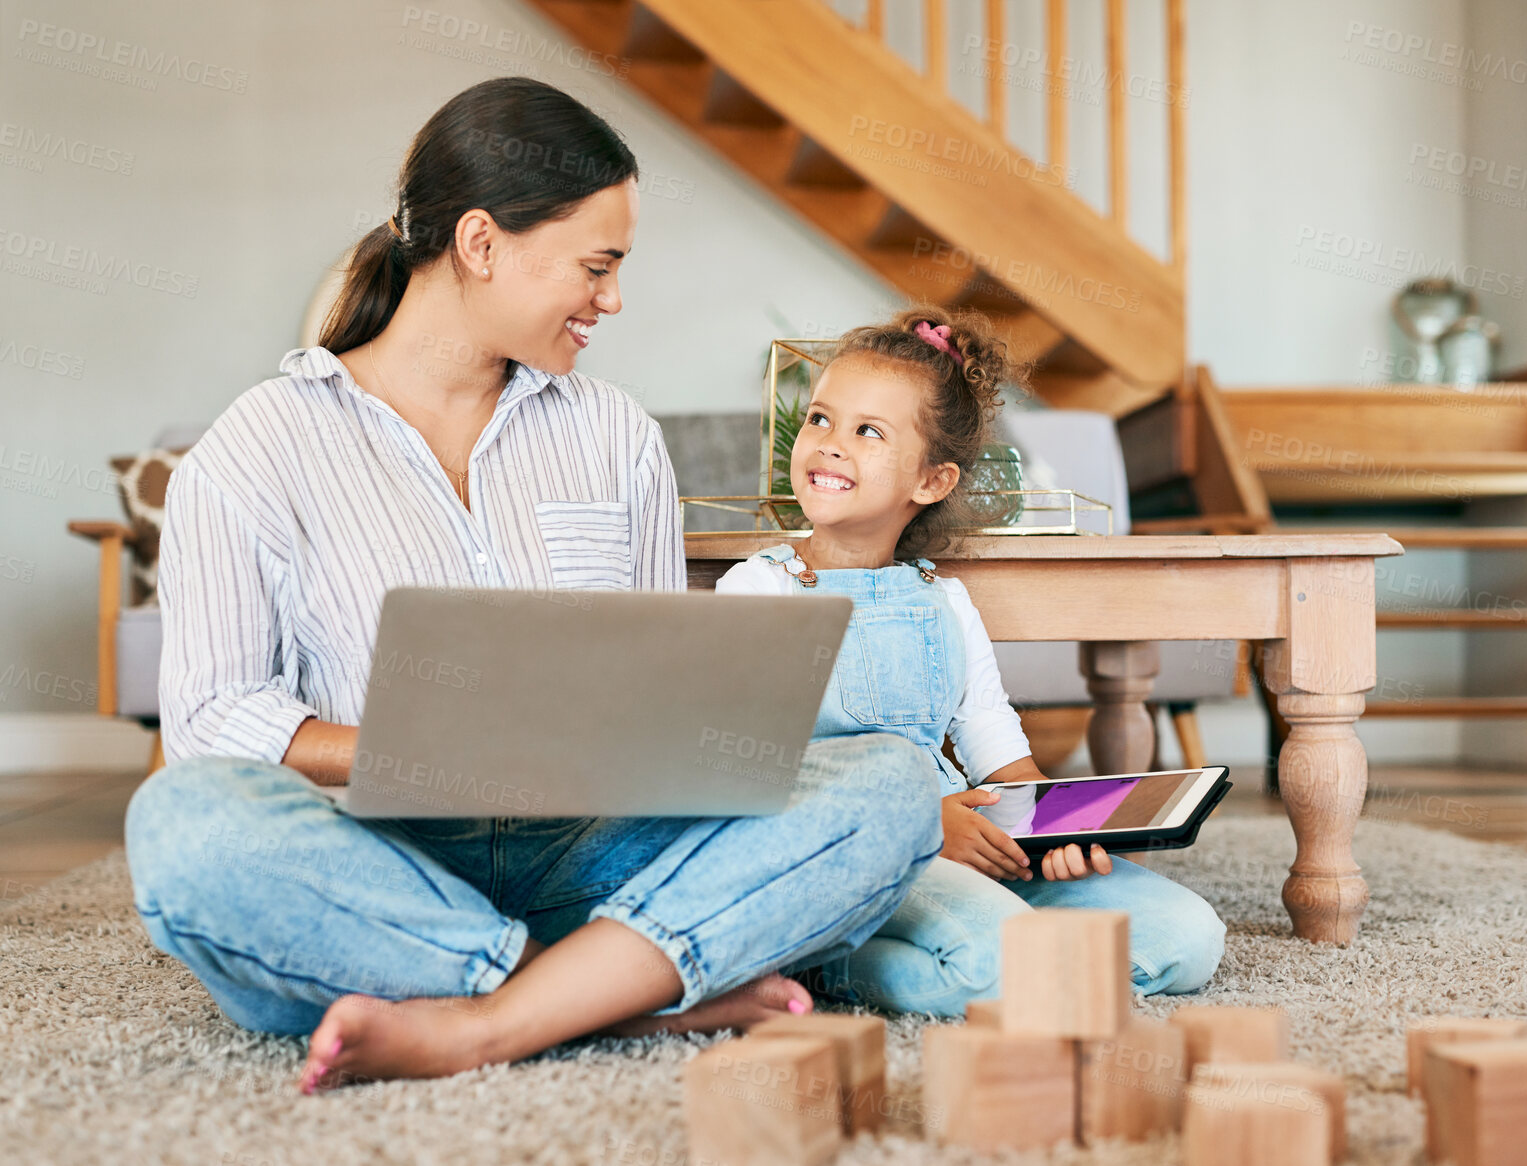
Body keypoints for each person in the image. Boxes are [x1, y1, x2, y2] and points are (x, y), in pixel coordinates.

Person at [123, 77, 943, 1093]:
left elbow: (658, 681)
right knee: (184, 827)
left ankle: (483, 1016)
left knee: (893, 784)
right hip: (384, 869)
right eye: (596, 266)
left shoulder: (612, 433)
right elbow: (213, 719)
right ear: (479, 244)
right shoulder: (259, 447)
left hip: (598, 855)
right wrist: (426, 752)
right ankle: (618, 990)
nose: (611, 300)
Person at [714, 306, 1225, 1017]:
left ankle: (1014, 965)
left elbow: (999, 752)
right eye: (820, 420)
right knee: (1010, 962)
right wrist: (927, 824)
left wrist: (1055, 834)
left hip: (973, 833)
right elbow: (751, 764)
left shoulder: (943, 601)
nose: (828, 445)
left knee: (1189, 938)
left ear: (931, 481)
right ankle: (823, 960)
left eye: (867, 431)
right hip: (854, 848)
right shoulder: (757, 588)